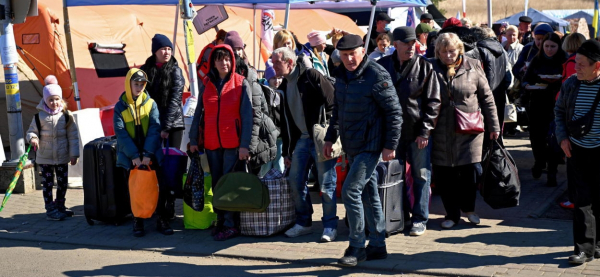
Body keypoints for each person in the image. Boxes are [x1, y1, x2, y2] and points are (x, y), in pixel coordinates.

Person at [323, 34, 402, 266]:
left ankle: (357, 246)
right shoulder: (341, 76)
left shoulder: (376, 74)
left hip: (371, 145)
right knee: (368, 194)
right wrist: (330, 138)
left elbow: (394, 112)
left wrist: (390, 145)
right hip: (352, 144)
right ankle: (377, 244)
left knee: (349, 191)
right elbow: (337, 110)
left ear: (362, 51)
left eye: (353, 54)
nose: (349, 59)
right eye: (345, 55)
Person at [430, 33, 500, 230]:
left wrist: (494, 126)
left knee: (468, 173)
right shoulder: (431, 67)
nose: (448, 55)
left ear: (459, 50)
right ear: (438, 52)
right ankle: (451, 214)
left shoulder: (473, 66)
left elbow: (487, 98)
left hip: (470, 130)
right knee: (445, 175)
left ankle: (469, 209)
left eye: (452, 51)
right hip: (441, 130)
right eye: (444, 52)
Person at [377, 27, 441, 237]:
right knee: (395, 177)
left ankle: (420, 219)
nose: (411, 47)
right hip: (392, 135)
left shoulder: (425, 67)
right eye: (406, 43)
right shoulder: (382, 66)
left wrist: (425, 132)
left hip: (417, 133)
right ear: (395, 44)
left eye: (413, 42)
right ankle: (399, 217)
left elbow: (433, 103)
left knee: (421, 175)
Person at [270, 46, 339, 242]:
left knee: (327, 185)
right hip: (300, 141)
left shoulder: (312, 76)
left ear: (289, 63)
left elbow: (334, 103)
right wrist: (287, 152)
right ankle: (304, 222)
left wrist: (330, 136)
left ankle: (330, 225)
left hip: (320, 140)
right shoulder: (283, 86)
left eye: (277, 62)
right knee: (295, 181)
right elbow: (286, 122)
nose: (273, 66)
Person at [189, 45, 253, 241]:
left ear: (232, 61)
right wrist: (193, 140)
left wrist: (245, 145)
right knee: (217, 183)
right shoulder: (206, 84)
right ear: (213, 62)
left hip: (233, 144)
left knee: (229, 184)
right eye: (219, 59)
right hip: (212, 143)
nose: (223, 63)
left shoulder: (241, 83)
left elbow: (248, 116)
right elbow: (198, 113)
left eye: (227, 59)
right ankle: (220, 220)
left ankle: (231, 224)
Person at [555, 39, 600, 265]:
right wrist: (562, 137)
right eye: (576, 63)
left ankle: (597, 244)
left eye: (582, 64)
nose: (576, 68)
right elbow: (559, 110)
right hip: (577, 150)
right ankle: (583, 249)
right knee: (581, 200)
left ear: (597, 66)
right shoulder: (571, 84)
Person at [140, 34, 185, 224]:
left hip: (172, 126)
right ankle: (156, 204)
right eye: (162, 49)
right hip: (152, 125)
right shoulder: (146, 70)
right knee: (155, 166)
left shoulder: (175, 70)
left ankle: (170, 206)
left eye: (169, 49)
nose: (166, 52)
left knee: (170, 167)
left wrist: (165, 127)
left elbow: (175, 101)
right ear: (155, 51)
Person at [113, 69, 164, 237]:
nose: (140, 87)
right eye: (136, 84)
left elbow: (155, 129)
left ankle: (161, 218)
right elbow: (121, 133)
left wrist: (148, 154)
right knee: (135, 189)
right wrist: (135, 156)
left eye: (142, 84)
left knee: (158, 187)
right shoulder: (120, 107)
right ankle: (137, 220)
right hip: (130, 157)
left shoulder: (151, 104)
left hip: (151, 154)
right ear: (129, 84)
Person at [26, 76, 79, 221]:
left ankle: (60, 205)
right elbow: (31, 132)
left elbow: (73, 137)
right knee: (48, 184)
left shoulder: (67, 116)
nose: (54, 103)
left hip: (62, 156)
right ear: (45, 100)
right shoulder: (39, 117)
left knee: (62, 183)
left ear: (61, 99)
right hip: (45, 157)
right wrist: (33, 138)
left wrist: (74, 154)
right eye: (51, 100)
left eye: (57, 99)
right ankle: (50, 208)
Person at [224, 31, 278, 171]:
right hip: (230, 139)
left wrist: (250, 147)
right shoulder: (222, 77)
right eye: (233, 50)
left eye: (239, 49)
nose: (237, 53)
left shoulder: (249, 76)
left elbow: (255, 114)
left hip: (248, 140)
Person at [522, 32, 567, 187]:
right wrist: (527, 85)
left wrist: (558, 80)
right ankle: (539, 161)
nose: (549, 49)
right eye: (546, 46)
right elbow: (526, 79)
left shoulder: (563, 60)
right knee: (536, 137)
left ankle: (552, 172)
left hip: (556, 105)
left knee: (553, 139)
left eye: (552, 46)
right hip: (537, 103)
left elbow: (568, 80)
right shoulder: (537, 59)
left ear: (558, 46)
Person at [557, 32, 586, 210]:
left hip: (573, 122)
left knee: (574, 165)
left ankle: (574, 198)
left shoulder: (572, 64)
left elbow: (568, 94)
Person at [258, 63, 285, 177]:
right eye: (274, 78)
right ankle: (262, 188)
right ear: (268, 78)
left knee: (279, 163)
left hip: (280, 135)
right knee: (265, 165)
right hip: (265, 136)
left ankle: (279, 186)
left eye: (279, 78)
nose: (277, 81)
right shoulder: (262, 91)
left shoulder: (283, 91)